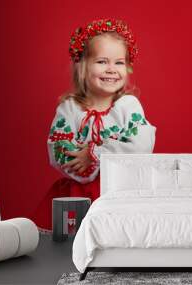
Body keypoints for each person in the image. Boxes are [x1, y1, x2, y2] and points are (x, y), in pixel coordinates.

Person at [47, 18, 156, 202]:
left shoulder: (128, 106)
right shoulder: (70, 108)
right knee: (76, 228)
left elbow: (140, 145)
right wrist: (83, 163)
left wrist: (94, 154)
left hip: (121, 193)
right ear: (82, 67)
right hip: (78, 195)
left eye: (119, 63)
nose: (111, 69)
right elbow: (58, 147)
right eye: (102, 61)